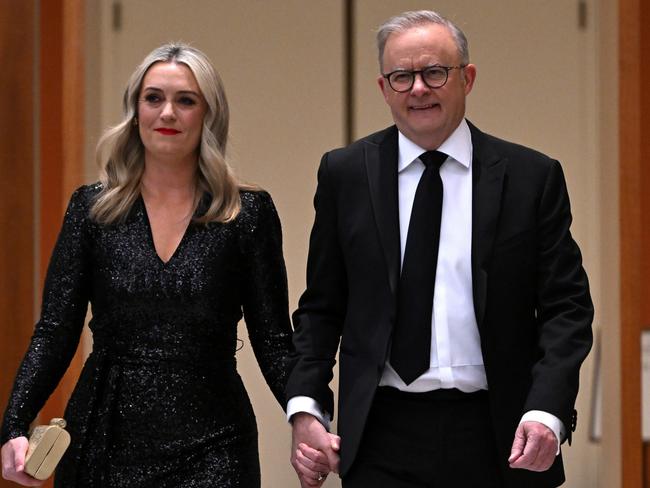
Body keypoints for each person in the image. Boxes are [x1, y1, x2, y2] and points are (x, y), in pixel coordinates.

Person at [286, 10, 593, 488]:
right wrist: (306, 407)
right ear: (382, 88)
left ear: (466, 78)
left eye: (434, 72)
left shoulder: (531, 177)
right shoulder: (345, 175)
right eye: (401, 76)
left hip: (501, 433)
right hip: (381, 433)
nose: (418, 89)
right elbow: (322, 308)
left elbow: (567, 309)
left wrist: (547, 410)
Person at [1, 43, 293, 488]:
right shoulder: (92, 210)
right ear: (135, 111)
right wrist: (15, 424)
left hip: (215, 443)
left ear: (208, 115)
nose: (168, 113)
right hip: (105, 436)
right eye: (153, 98)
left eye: (186, 100)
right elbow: (56, 331)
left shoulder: (246, 213)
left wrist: (309, 414)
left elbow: (273, 340)